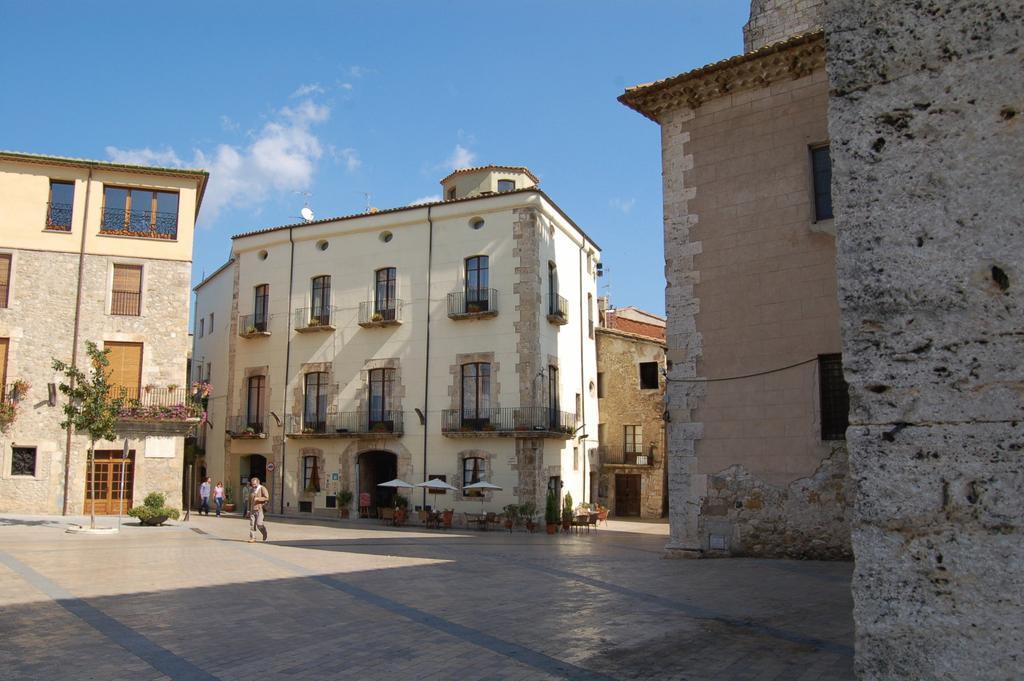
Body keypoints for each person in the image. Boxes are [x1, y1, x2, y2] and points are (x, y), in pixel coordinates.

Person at [248, 477, 270, 543]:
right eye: (252, 484)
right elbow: (250, 501)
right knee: (252, 524)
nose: (253, 485)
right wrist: (248, 510)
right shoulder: (251, 490)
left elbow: (267, 498)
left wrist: (258, 499)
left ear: (258, 483)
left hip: (260, 509)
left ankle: (264, 533)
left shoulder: (262, 488)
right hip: (252, 510)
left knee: (259, 524)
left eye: (254, 484)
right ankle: (253, 538)